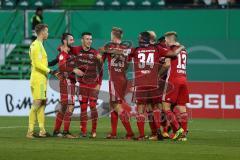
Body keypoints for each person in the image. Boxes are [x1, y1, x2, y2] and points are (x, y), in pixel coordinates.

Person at [129, 31, 184, 140]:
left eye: (139, 38)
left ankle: (142, 135)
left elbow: (125, 58)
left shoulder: (135, 50)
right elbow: (172, 55)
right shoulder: (156, 48)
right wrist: (180, 47)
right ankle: (160, 130)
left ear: (141, 39)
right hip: (153, 82)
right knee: (157, 107)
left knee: (141, 110)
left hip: (141, 83)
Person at [26, 24, 59, 138]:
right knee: (37, 103)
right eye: (47, 31)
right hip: (38, 78)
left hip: (41, 78)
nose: (48, 34)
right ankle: (30, 131)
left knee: (42, 104)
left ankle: (42, 130)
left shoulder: (39, 45)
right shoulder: (36, 45)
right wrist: (51, 71)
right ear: (42, 32)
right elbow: (36, 64)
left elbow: (42, 62)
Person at [101, 27, 134, 139]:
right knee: (113, 105)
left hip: (114, 79)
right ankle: (114, 133)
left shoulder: (109, 46)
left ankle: (130, 132)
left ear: (113, 35)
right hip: (123, 78)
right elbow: (128, 65)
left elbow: (100, 60)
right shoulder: (126, 48)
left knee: (116, 105)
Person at [51, 33, 84, 138]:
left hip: (70, 82)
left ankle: (56, 131)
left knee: (64, 107)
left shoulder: (68, 53)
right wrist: (74, 69)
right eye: (71, 39)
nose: (73, 41)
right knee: (70, 106)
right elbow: (62, 67)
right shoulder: (63, 54)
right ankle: (65, 132)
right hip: (67, 82)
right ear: (65, 41)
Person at [71, 32, 103, 138]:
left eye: (91, 39)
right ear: (82, 40)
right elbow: (63, 53)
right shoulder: (76, 50)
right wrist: (74, 69)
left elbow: (101, 70)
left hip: (93, 84)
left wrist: (99, 84)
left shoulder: (95, 53)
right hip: (82, 84)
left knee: (93, 107)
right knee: (83, 108)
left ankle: (94, 131)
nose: (89, 41)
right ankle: (83, 131)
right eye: (87, 39)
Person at [162, 31, 189, 141]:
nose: (165, 42)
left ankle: (178, 130)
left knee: (165, 107)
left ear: (169, 39)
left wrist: (158, 74)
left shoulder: (170, 50)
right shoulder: (184, 50)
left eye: (165, 40)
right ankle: (183, 135)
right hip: (183, 78)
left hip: (173, 80)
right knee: (182, 107)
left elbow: (167, 64)